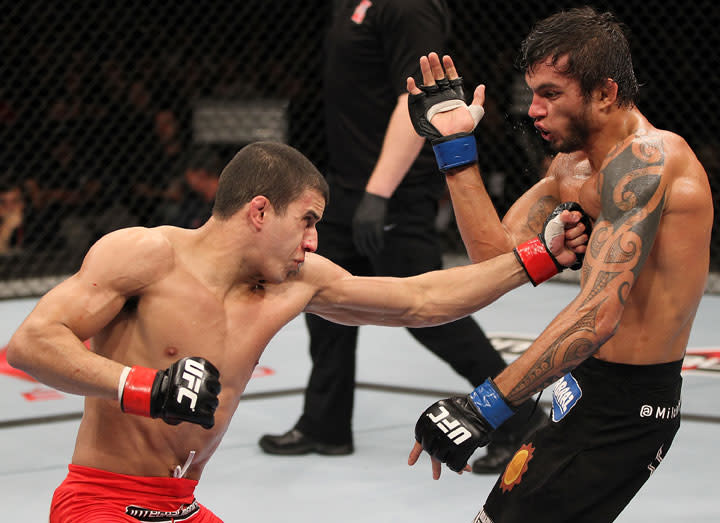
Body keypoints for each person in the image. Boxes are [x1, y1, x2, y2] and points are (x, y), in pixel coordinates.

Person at [6, 141, 588, 522]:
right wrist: (145, 388)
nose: (313, 241)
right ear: (259, 212)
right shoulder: (146, 254)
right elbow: (32, 344)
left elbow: (421, 300)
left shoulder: (297, 281)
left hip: (181, 506)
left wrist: (540, 257)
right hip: (101, 500)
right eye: (306, 222)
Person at [404, 7, 713, 523]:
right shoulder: (571, 165)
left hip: (628, 410)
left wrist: (484, 406)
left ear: (605, 93)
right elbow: (494, 259)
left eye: (551, 94)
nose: (533, 110)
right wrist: (455, 147)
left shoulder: (649, 162)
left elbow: (597, 316)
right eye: (533, 94)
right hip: (583, 386)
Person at [257, 0, 546, 473]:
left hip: (391, 187)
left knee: (436, 313)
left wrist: (379, 193)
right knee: (322, 301)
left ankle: (520, 417)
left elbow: (416, 98)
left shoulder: (410, 8)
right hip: (348, 183)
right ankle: (324, 424)